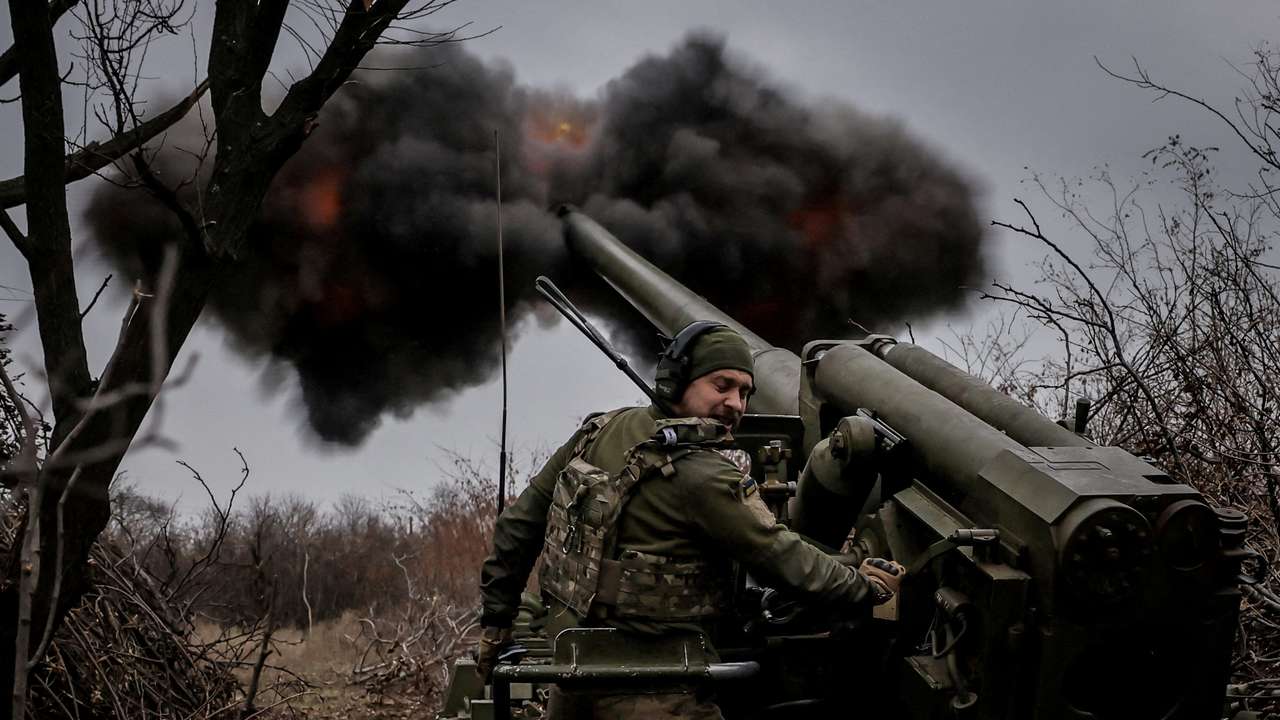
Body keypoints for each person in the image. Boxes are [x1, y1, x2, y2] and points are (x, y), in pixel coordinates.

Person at [475, 322, 904, 718]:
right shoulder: (704, 475)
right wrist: (863, 585)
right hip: (659, 690)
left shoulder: (599, 430)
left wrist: (496, 623)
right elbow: (781, 559)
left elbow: (518, 525)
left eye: (744, 392)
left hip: (574, 677)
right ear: (676, 381)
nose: (734, 404)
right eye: (722, 385)